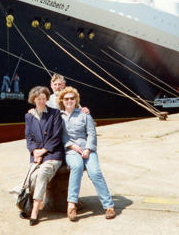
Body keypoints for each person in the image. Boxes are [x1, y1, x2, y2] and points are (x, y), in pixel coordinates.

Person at [58, 86, 116, 221]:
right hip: (71, 150)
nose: (69, 101)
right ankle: (71, 205)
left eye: (72, 98)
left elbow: (92, 134)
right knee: (76, 167)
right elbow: (61, 137)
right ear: (62, 101)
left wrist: (88, 149)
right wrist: (72, 146)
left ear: (76, 100)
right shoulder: (59, 117)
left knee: (95, 172)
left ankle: (109, 206)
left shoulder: (85, 115)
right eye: (66, 99)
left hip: (87, 149)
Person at [22, 86, 64, 226]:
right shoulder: (29, 116)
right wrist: (34, 151)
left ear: (47, 99)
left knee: (42, 174)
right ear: (33, 99)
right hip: (37, 154)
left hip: (52, 153)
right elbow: (28, 137)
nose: (41, 101)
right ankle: (30, 204)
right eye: (38, 99)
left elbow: (57, 136)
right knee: (32, 178)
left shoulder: (54, 113)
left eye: (44, 99)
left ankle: (35, 210)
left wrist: (42, 151)